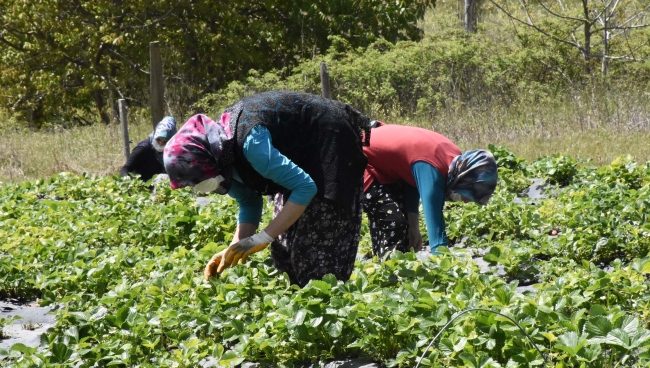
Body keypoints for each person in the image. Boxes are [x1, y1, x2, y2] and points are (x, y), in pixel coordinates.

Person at [163, 91, 370, 287]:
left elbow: (305, 187)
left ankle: (327, 308)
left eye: (197, 178)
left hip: (329, 140)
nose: (198, 185)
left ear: (203, 160)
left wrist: (262, 238)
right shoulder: (220, 159)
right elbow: (249, 200)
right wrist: (231, 251)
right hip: (298, 156)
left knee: (316, 251)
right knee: (283, 249)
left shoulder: (249, 145)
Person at [362, 122, 497, 257]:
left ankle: (394, 268)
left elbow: (411, 180)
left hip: (385, 164)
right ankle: (386, 270)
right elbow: (436, 235)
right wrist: (443, 267)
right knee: (394, 221)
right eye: (467, 196)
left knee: (405, 227)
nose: (466, 202)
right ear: (462, 181)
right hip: (359, 157)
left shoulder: (454, 161)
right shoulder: (433, 170)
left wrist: (413, 226)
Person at [120, 116, 177, 182]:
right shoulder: (143, 148)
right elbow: (125, 168)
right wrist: (127, 178)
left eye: (165, 142)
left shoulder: (171, 151)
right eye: (158, 140)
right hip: (143, 187)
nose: (160, 144)